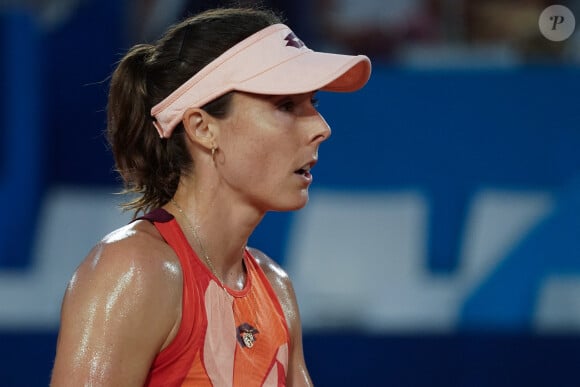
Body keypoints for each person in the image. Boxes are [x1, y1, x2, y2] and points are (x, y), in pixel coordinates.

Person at [50, 6, 370, 386]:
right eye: (285, 105)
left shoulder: (276, 288)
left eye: (312, 104)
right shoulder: (134, 271)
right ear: (203, 128)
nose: (321, 127)